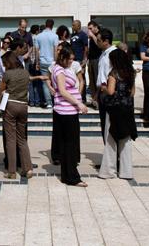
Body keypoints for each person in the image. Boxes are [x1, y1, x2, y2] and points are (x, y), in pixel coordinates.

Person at [98, 49, 137, 180]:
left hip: (114, 109)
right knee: (125, 140)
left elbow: (110, 91)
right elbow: (132, 93)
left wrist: (103, 88)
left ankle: (108, 171)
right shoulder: (131, 73)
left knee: (111, 139)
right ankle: (126, 172)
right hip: (127, 109)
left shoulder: (113, 73)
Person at [52, 46, 87, 187]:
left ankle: (67, 175)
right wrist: (79, 103)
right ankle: (72, 177)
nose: (72, 62)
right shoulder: (60, 71)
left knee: (67, 145)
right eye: (70, 59)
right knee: (70, 145)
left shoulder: (58, 68)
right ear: (63, 58)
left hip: (65, 110)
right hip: (66, 112)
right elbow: (62, 91)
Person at [0, 51, 32, 179]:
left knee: (11, 139)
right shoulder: (25, 73)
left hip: (11, 105)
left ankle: (12, 171)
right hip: (23, 106)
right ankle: (28, 168)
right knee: (22, 138)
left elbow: (1, 89)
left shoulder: (8, 74)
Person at [95, 29, 117, 137]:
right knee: (104, 124)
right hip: (102, 91)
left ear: (106, 41)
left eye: (99, 40)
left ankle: (114, 153)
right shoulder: (103, 54)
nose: (97, 42)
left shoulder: (114, 54)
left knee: (110, 124)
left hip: (109, 91)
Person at [86, 21, 102, 107]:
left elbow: (100, 45)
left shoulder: (99, 34)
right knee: (91, 81)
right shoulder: (91, 38)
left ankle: (98, 100)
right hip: (91, 59)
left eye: (91, 28)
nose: (89, 30)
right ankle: (94, 100)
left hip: (97, 59)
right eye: (88, 29)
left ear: (96, 27)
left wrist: (92, 36)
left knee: (97, 80)